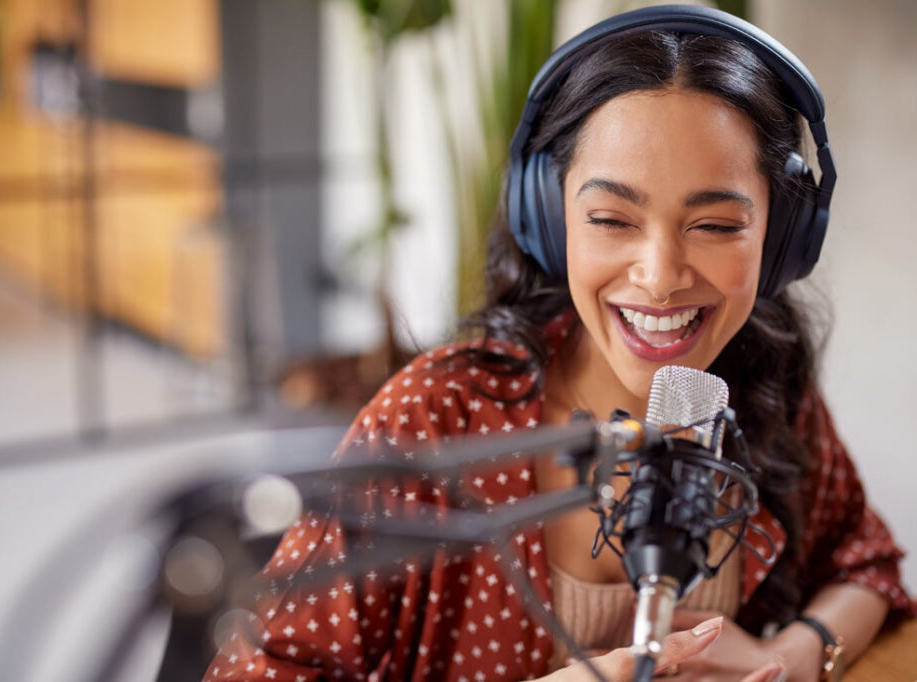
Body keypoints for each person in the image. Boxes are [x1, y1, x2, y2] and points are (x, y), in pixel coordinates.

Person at [203, 6, 913, 681]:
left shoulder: (759, 384)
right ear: (550, 217)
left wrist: (790, 654)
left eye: (718, 226)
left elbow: (866, 565)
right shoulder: (435, 421)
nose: (660, 277)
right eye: (611, 218)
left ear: (782, 238)